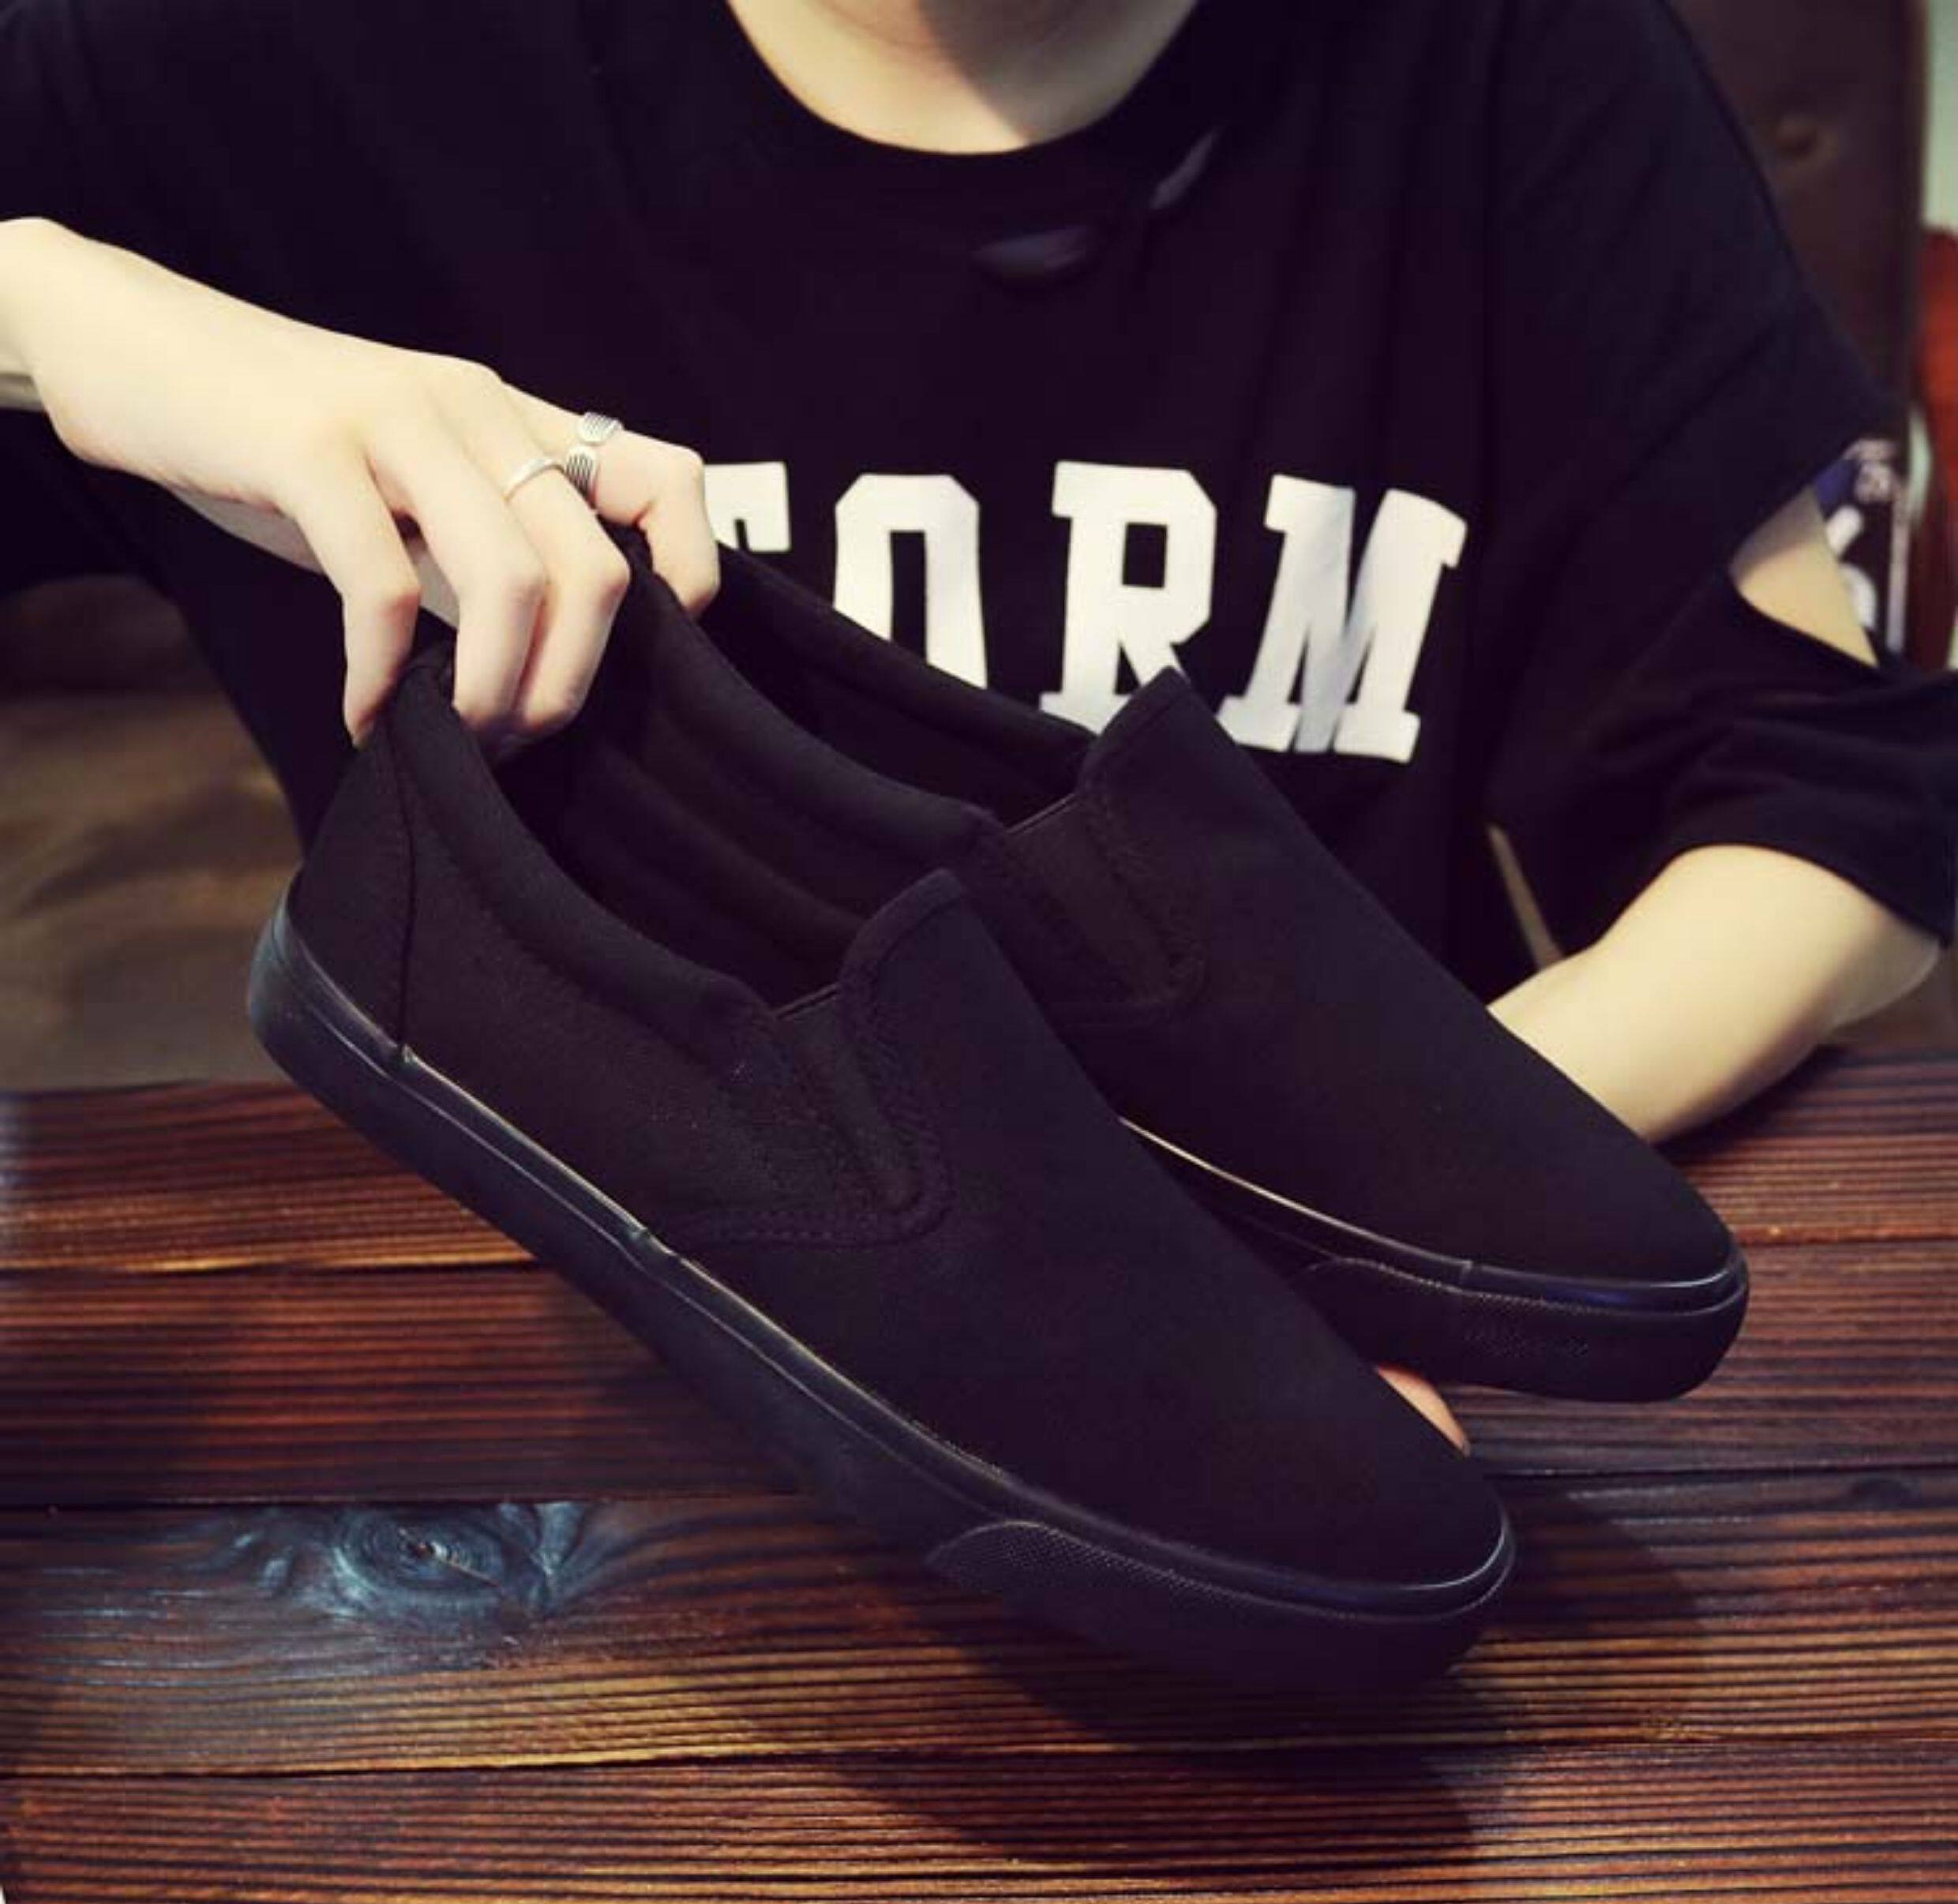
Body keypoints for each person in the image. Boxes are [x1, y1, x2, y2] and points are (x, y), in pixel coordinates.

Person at [2, 0, 1954, 1450]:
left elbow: (1837, 787)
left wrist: (1330, 1196)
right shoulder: (291, 48)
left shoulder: (1508, 56)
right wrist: (72, 312)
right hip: (538, 1372)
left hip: (1298, 1373)